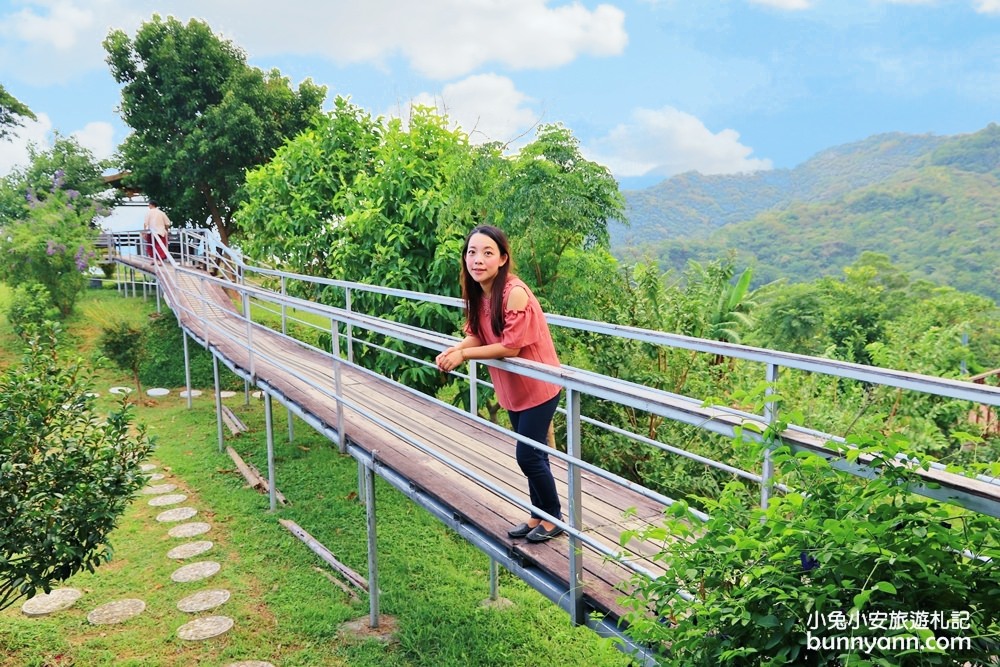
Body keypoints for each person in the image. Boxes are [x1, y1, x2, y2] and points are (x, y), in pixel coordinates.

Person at [436, 225, 564, 543]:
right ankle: (539, 515)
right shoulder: (479, 293)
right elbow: (476, 334)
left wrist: (464, 357)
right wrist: (457, 349)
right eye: (472, 252)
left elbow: (511, 347)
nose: (478, 259)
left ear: (503, 258)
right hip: (514, 390)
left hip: (539, 386)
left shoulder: (514, 292)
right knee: (535, 454)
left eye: (487, 253)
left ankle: (555, 518)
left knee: (529, 455)